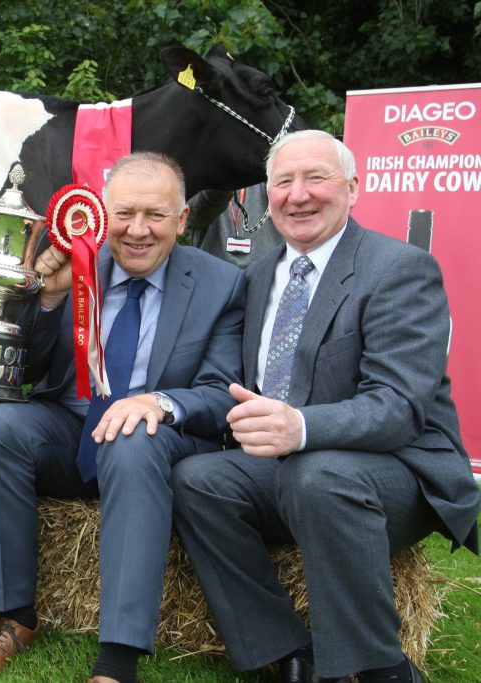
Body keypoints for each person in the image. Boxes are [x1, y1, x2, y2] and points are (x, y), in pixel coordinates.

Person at [170, 130, 480, 683]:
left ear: (353, 189)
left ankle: (380, 668)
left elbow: (400, 407)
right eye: (283, 182)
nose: (297, 194)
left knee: (319, 474)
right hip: (295, 470)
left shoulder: (399, 269)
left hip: (396, 472)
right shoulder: (260, 275)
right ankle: (286, 653)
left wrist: (301, 426)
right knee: (197, 479)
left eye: (316, 177)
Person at [0, 152, 246, 683]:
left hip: (161, 443)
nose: (137, 230)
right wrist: (51, 302)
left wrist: (159, 403)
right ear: (103, 214)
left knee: (133, 434)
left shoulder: (222, 284)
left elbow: (222, 394)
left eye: (155, 215)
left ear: (181, 220)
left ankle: (117, 659)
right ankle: (12, 619)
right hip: (72, 426)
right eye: (124, 213)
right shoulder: (70, 261)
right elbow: (24, 371)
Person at [186, 181, 283, 269]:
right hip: (210, 276)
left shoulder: (269, 172)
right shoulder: (200, 172)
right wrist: (223, 183)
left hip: (268, 277)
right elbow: (196, 214)